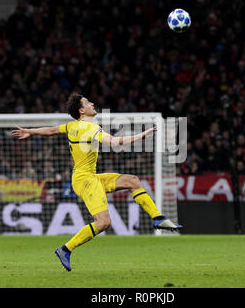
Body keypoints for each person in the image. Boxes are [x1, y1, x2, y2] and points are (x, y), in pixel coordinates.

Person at [12, 92, 182, 271]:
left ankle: (158, 218)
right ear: (81, 111)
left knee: (132, 181)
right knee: (103, 222)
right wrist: (142, 135)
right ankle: (65, 249)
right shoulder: (91, 129)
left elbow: (52, 130)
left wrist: (30, 131)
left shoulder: (72, 126)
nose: (92, 103)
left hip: (87, 177)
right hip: (86, 180)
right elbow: (115, 142)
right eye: (87, 102)